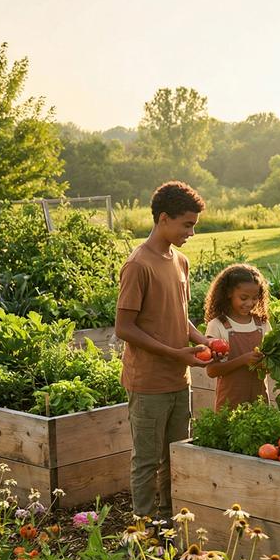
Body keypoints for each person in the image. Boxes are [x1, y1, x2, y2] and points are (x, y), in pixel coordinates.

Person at [114, 181, 213, 521]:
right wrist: (176, 354)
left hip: (178, 379)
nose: (192, 232)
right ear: (164, 218)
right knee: (147, 460)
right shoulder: (138, 264)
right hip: (149, 383)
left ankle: (169, 522)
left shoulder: (180, 261)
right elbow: (124, 328)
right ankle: (141, 528)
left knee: (175, 456)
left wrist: (201, 341)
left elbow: (180, 318)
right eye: (187, 224)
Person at [203, 263, 271, 410]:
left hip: (259, 402)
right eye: (244, 298)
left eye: (255, 298)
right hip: (229, 403)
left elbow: (272, 364)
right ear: (228, 293)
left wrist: (267, 364)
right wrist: (243, 360)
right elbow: (212, 370)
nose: (250, 303)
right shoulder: (218, 325)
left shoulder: (262, 324)